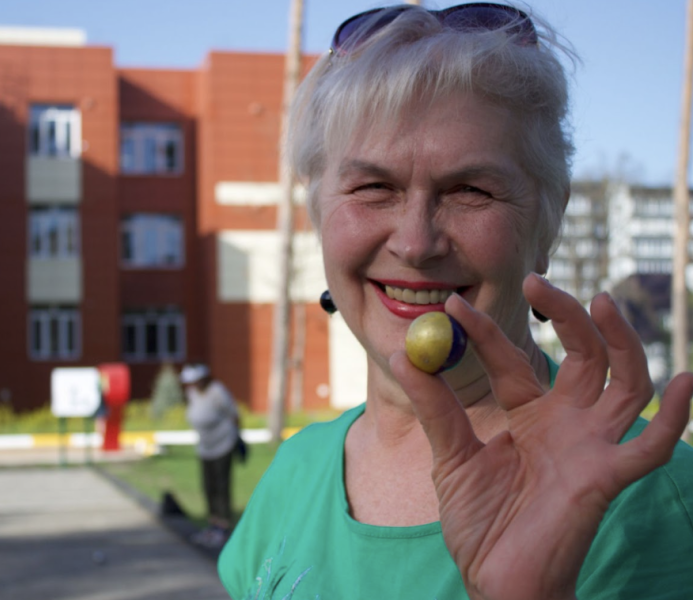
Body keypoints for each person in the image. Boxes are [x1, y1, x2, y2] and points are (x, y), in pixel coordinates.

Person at [218, 4, 693, 599]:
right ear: (318, 213)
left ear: (547, 221)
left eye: (470, 190)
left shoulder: (648, 495)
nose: (416, 243)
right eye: (373, 187)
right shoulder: (297, 469)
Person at [179, 363, 241, 548]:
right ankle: (213, 524)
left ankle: (224, 527)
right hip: (205, 447)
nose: (191, 385)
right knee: (208, 486)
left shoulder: (217, 391)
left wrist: (239, 438)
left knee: (222, 485)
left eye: (194, 381)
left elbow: (234, 414)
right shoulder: (192, 394)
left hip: (223, 444)